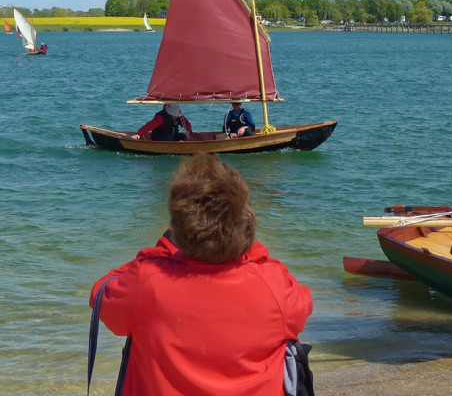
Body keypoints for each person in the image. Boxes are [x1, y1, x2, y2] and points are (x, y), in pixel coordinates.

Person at [89, 154, 312, 396]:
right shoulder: (272, 285)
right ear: (244, 220)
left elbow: (101, 293)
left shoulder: (147, 282)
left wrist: (163, 248)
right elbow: (303, 306)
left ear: (180, 221)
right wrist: (250, 249)